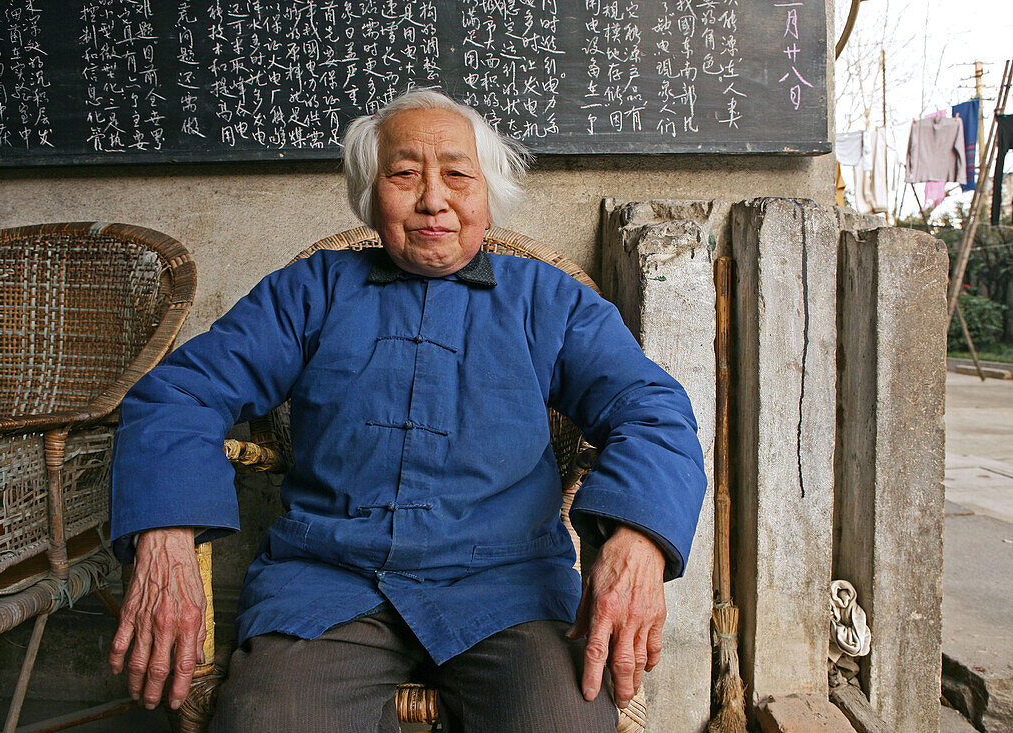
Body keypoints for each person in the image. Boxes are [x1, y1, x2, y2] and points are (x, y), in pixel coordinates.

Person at [107, 89, 706, 732]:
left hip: (510, 588)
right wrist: (164, 531)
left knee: (562, 722)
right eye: (403, 175)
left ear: (486, 195)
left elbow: (653, 411)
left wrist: (638, 538)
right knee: (268, 722)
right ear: (372, 196)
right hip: (327, 584)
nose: (432, 199)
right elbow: (180, 393)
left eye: (456, 174)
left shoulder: (549, 302)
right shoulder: (312, 291)